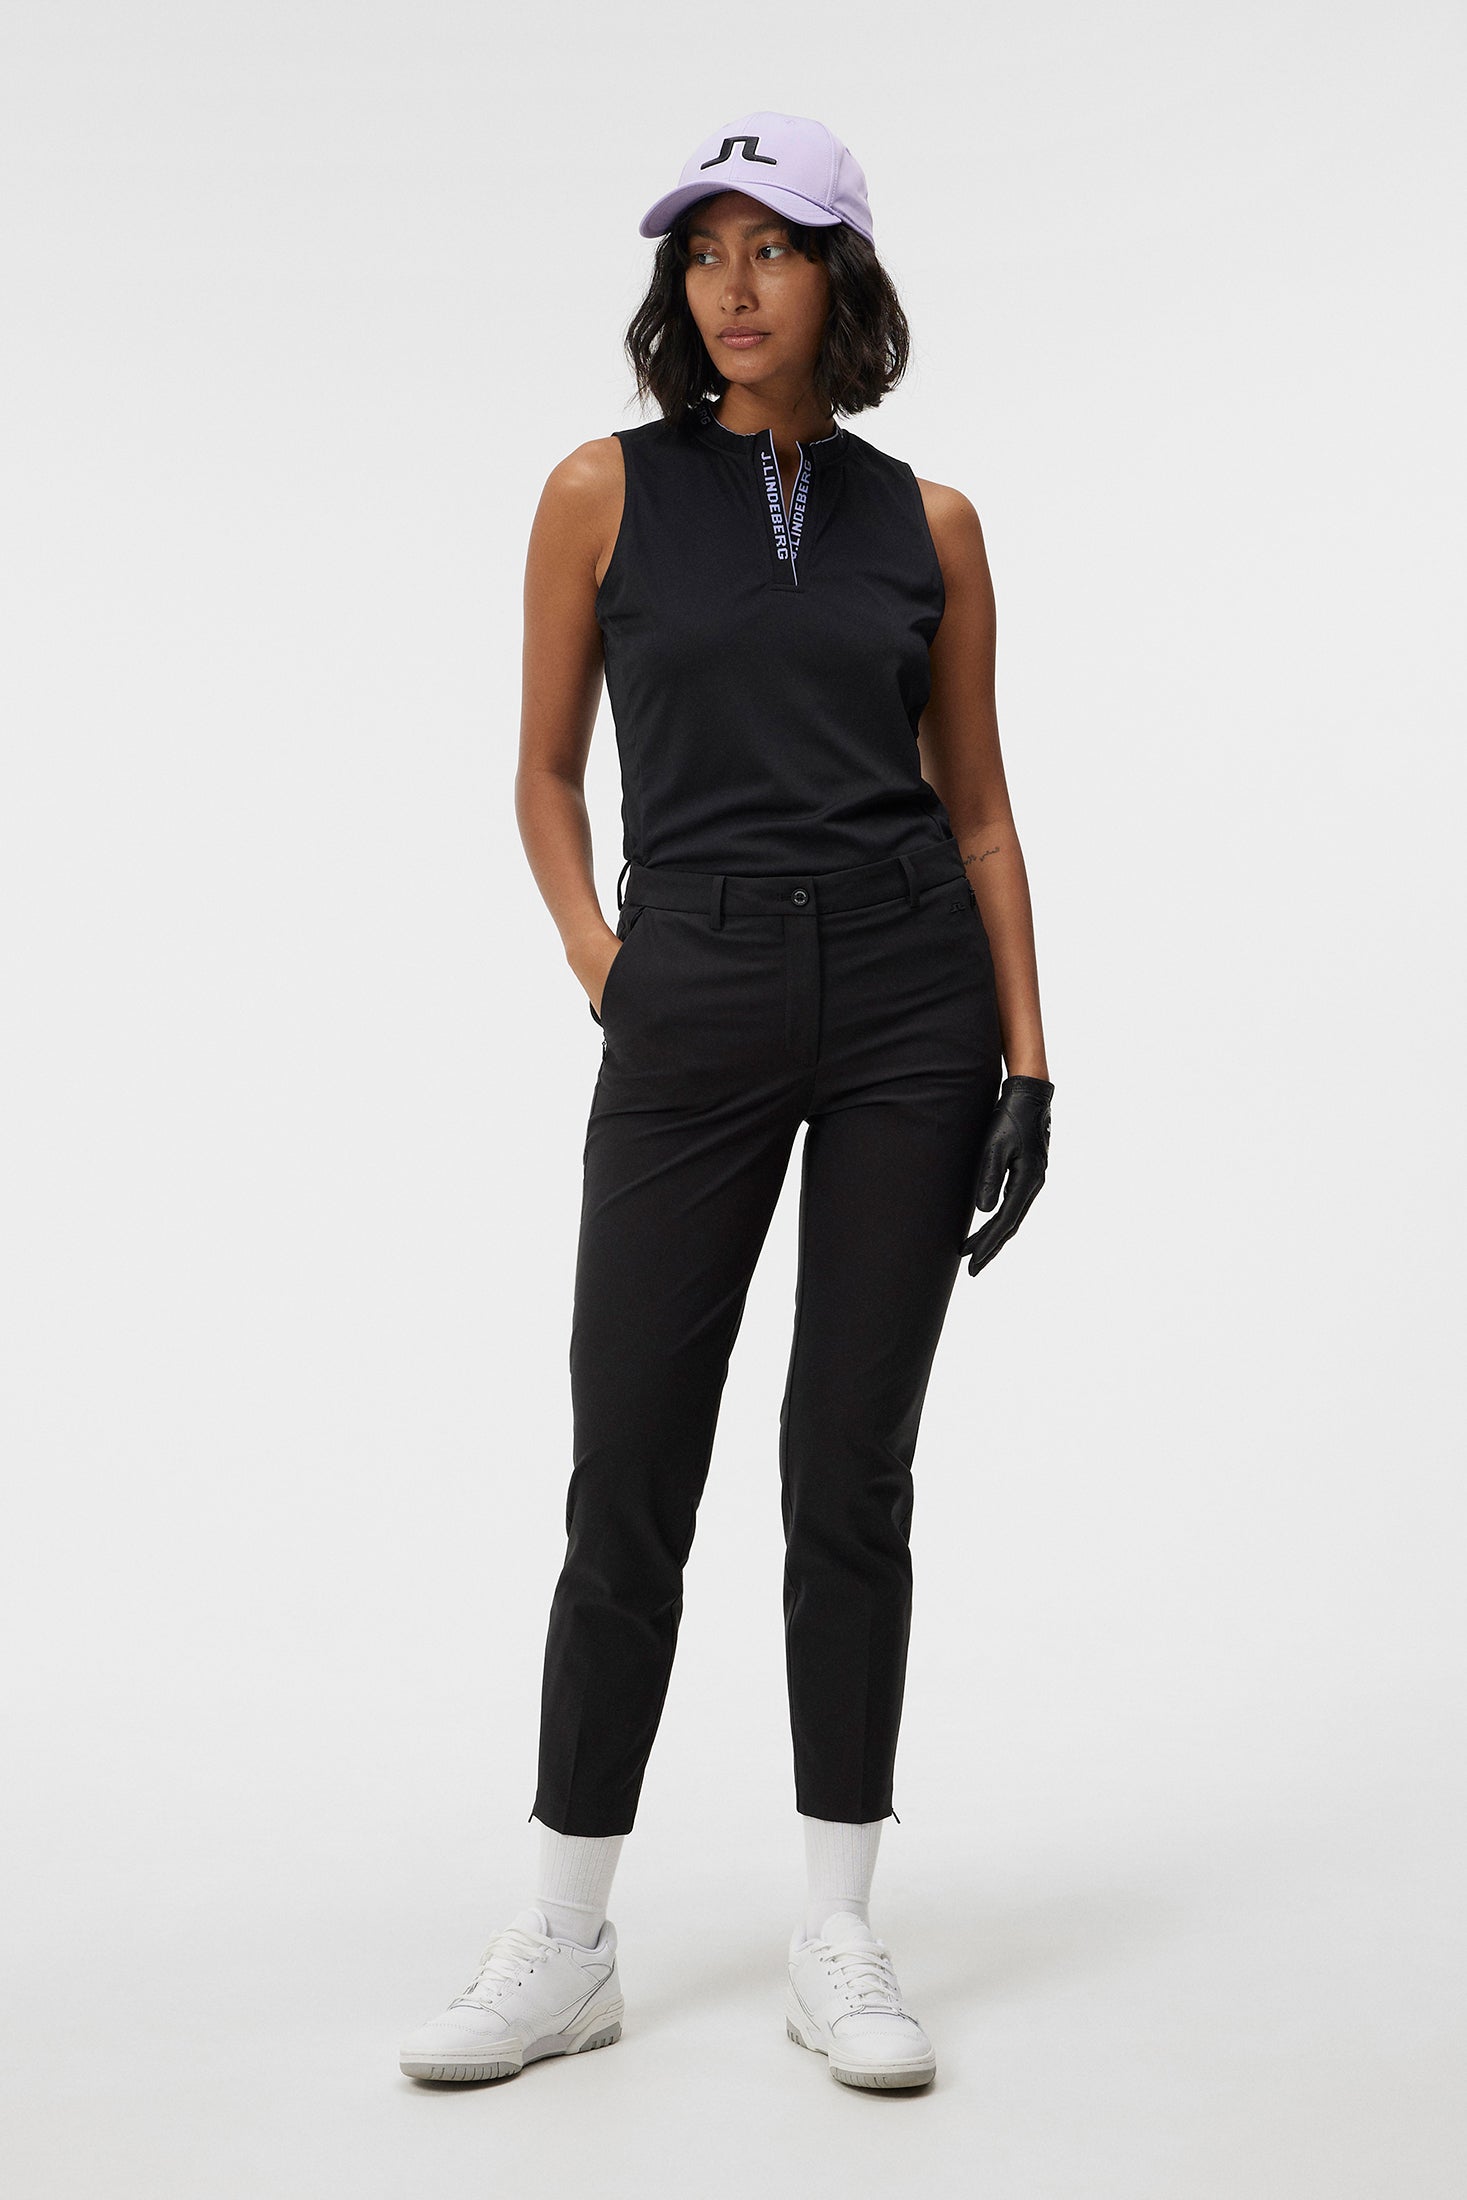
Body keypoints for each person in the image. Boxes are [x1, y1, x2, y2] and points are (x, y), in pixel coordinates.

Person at [400, 109, 1052, 2095]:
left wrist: (1028, 1056)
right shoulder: (598, 491)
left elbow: (976, 807)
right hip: (689, 987)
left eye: (774, 247)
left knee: (847, 1472)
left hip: (908, 1001)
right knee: (629, 1471)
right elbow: (540, 770)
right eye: (704, 249)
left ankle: (836, 1927)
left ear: (840, 278)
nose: (733, 284)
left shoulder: (929, 522)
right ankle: (564, 1936)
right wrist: (606, 961)